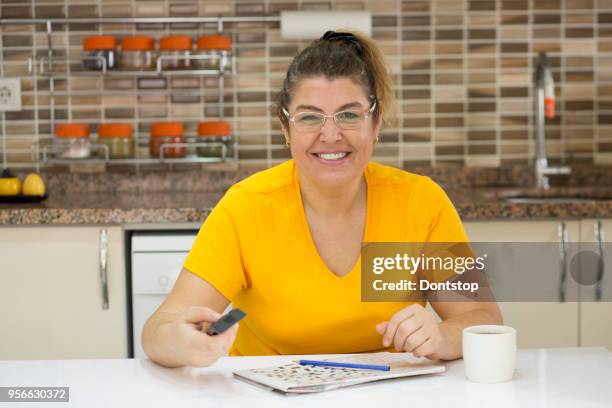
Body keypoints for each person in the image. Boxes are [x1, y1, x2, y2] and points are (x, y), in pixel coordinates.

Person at [142, 30, 502, 368]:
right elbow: (158, 330)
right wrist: (180, 342)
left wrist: (442, 336)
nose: (330, 135)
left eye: (348, 115)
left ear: (376, 123)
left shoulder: (420, 203)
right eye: (309, 118)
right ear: (285, 128)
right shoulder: (246, 208)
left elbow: (483, 318)